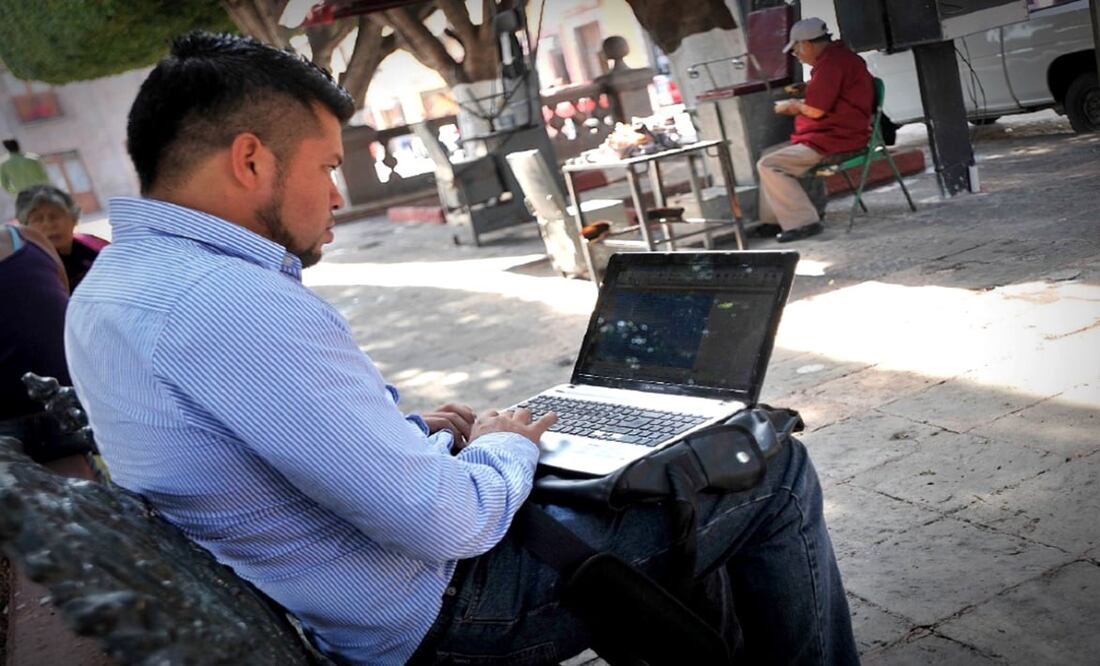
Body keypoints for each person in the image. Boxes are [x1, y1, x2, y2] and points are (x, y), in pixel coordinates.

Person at [66, 32, 858, 665]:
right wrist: (501, 449)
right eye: (327, 168)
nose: (338, 196)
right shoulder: (225, 302)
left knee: (661, 484)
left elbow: (269, 455)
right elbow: (446, 523)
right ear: (250, 160)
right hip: (440, 622)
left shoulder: (111, 288)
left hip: (341, 596)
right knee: (769, 468)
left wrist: (419, 440)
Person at [756, 18, 874, 243]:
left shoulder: (831, 64)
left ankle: (803, 222)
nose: (797, 55)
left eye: (796, 49)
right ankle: (775, 220)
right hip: (831, 134)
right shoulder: (838, 60)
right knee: (767, 155)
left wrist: (792, 106)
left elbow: (816, 111)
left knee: (769, 164)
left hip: (837, 139)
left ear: (807, 44)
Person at [16, 184, 106, 290]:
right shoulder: (27, 270)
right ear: (26, 229)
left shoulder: (95, 246)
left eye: (55, 216)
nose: (48, 224)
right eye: (38, 219)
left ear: (73, 219)